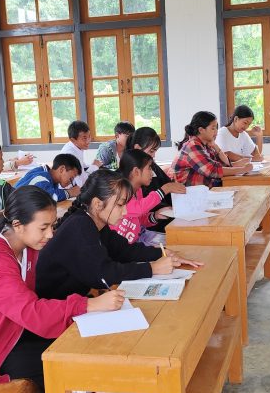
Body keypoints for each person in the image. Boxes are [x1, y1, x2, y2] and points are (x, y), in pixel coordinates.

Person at [0, 187, 124, 385]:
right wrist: (90, 305)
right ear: (18, 225)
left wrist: (86, 304)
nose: (51, 234)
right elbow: (31, 311)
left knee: (77, 339)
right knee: (67, 356)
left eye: (53, 226)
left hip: (10, 331)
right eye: (43, 228)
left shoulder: (25, 247)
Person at [35, 171, 200, 300]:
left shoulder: (95, 223)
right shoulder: (80, 226)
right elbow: (103, 274)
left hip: (74, 301)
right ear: (98, 204)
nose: (125, 211)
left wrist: (163, 253)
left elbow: (123, 250)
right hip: (56, 310)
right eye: (120, 205)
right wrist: (152, 268)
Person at [170, 111, 251, 188]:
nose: (216, 131)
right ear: (201, 130)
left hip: (200, 192)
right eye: (213, 128)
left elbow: (224, 164)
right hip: (188, 195)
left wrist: (216, 146)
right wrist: (242, 170)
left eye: (216, 128)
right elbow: (213, 171)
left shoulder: (205, 145)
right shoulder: (193, 145)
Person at [112, 150, 175, 245]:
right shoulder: (120, 192)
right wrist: (164, 190)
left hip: (138, 239)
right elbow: (138, 209)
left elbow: (139, 218)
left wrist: (154, 216)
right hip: (122, 248)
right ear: (136, 171)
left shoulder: (138, 191)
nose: (152, 173)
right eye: (149, 168)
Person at [131, 126, 185, 212]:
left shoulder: (152, 165)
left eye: (155, 151)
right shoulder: (131, 170)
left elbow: (168, 184)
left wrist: (175, 187)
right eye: (151, 151)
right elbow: (141, 206)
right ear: (137, 148)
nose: (153, 156)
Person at [14, 153, 82, 202]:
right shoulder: (41, 177)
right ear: (62, 169)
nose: (71, 182)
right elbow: (49, 198)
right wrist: (71, 192)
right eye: (71, 177)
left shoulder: (49, 177)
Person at [60, 120, 98, 188]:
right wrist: (94, 166)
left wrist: (93, 165)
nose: (88, 141)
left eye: (89, 136)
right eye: (84, 138)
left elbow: (82, 166)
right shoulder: (71, 154)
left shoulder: (75, 146)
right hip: (70, 191)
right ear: (73, 140)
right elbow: (82, 183)